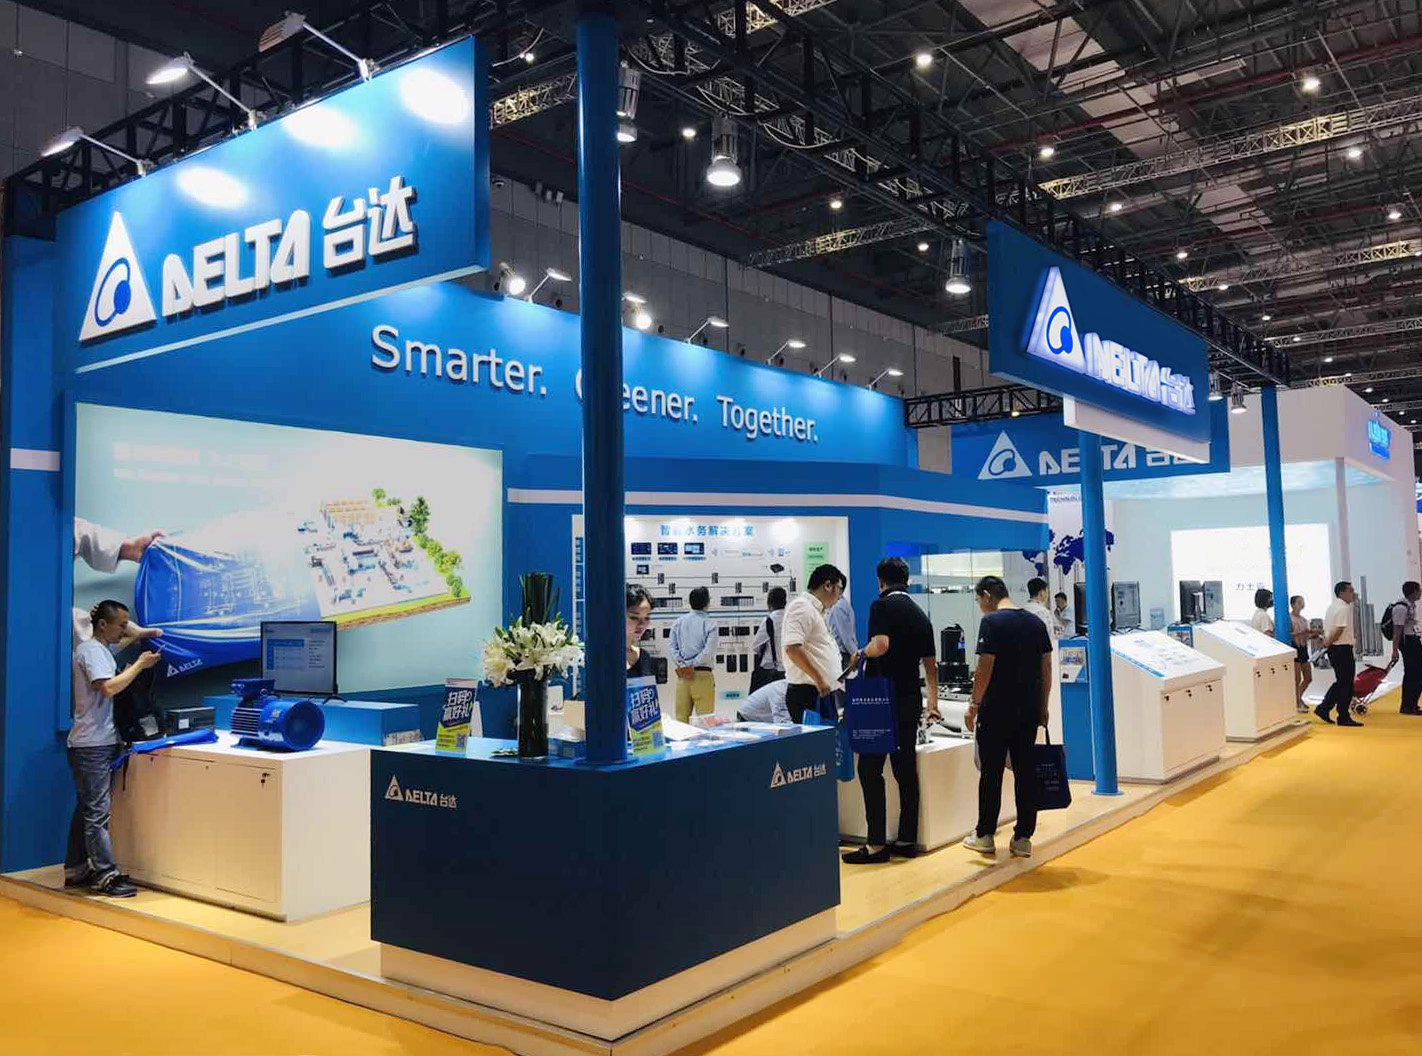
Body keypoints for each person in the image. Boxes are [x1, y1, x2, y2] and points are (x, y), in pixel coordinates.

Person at [843, 557, 939, 864]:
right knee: (904, 768)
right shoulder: (920, 614)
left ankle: (875, 845)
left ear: (880, 581)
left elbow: (881, 645)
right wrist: (933, 704)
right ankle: (907, 839)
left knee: (869, 768)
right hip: (909, 699)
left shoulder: (881, 606)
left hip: (880, 700)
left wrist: (861, 653)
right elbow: (930, 666)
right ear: (907, 580)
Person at [67, 600, 163, 897]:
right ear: (102, 625)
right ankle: (105, 875)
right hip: (92, 744)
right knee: (97, 813)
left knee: (87, 809)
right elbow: (108, 687)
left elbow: (112, 668)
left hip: (99, 741)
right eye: (121, 625)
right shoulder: (91, 651)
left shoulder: (99, 651)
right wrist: (139, 665)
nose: (125, 631)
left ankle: (76, 868)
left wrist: (141, 638)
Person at [962, 576, 1053, 860]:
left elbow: (985, 665)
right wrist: (1043, 706)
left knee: (991, 773)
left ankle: (985, 835)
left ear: (987, 595)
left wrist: (974, 704)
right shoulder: (1035, 623)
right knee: (1025, 772)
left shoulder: (992, 622)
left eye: (978, 600)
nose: (980, 606)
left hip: (996, 710)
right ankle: (1023, 837)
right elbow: (1046, 667)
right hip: (1028, 710)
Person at [782, 564, 848, 724]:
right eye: (839, 589)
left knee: (826, 738)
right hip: (809, 692)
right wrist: (819, 680)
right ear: (828, 586)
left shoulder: (817, 611)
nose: (839, 597)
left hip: (820, 690)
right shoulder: (802, 607)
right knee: (813, 739)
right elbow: (792, 648)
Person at [1316, 581, 1363, 727]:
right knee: (1346, 683)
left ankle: (1324, 708)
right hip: (1341, 648)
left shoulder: (1333, 606)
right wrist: (1328, 642)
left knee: (1342, 682)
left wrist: (1328, 643)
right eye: (1350, 590)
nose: (1353, 593)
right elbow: (1339, 630)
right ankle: (1342, 716)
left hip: (1335, 649)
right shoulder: (1343, 608)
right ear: (1342, 593)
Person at [669, 586, 718, 721]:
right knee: (705, 721)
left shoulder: (678, 623)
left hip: (683, 675)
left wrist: (683, 663)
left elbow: (672, 647)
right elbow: (708, 652)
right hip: (703, 676)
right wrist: (693, 663)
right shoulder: (710, 624)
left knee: (681, 721)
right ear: (707, 603)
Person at [1387, 581, 1422, 716]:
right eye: (1419, 590)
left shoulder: (1410, 605)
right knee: (1412, 674)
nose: (1420, 593)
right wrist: (1395, 650)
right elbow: (1397, 631)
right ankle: (1407, 706)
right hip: (1407, 642)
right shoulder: (1401, 607)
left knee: (1416, 674)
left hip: (1413, 639)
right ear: (1413, 592)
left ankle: (1412, 704)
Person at [749, 587, 787, 692]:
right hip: (789, 671)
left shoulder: (769, 621)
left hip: (771, 672)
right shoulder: (790, 619)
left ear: (769, 603)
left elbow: (755, 646)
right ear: (785, 602)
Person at [1289, 595, 1318, 713]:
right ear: (1293, 604)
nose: (1302, 604)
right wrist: (1302, 632)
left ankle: (1298, 698)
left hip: (1303, 649)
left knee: (1308, 677)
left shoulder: (1303, 620)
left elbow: (1305, 636)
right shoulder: (1289, 618)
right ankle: (1296, 702)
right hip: (1294, 648)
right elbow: (1287, 635)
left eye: (1303, 602)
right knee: (1297, 679)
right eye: (1299, 602)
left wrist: (1313, 635)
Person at [626, 584, 657, 679]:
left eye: (647, 617)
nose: (642, 624)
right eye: (634, 617)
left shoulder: (644, 657)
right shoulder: (600, 657)